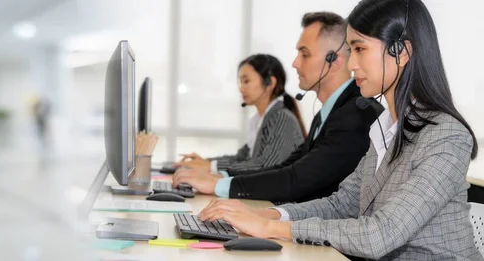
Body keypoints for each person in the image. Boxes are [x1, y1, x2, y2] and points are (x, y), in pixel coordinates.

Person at [197, 0, 482, 260]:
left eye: (359, 49)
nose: (352, 64)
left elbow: (379, 235)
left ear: (401, 52)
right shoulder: (385, 129)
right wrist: (269, 214)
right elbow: (341, 204)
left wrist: (271, 227)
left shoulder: (445, 136)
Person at [173, 12, 382, 203]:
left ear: (333, 61)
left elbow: (297, 179)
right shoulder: (328, 114)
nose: (295, 63)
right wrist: (220, 179)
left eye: (305, 54)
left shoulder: (355, 116)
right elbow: (286, 167)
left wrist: (218, 183)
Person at [175, 54, 306, 173]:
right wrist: (206, 162)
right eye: (240, 82)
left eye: (246, 81)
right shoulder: (261, 119)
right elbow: (241, 158)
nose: (241, 88)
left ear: (270, 83)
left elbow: (265, 166)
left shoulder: (281, 118)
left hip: (278, 200)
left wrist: (210, 167)